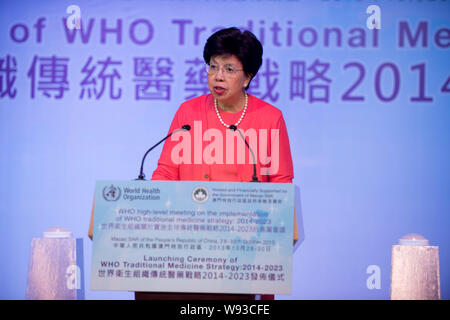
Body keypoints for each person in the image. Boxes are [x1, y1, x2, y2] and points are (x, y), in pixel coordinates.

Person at [134, 27, 296, 300]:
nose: (218, 76)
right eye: (213, 66)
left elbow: (280, 187)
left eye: (230, 69)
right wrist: (152, 211)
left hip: (244, 250)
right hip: (186, 246)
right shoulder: (189, 112)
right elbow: (166, 172)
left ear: (248, 77)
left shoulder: (270, 119)